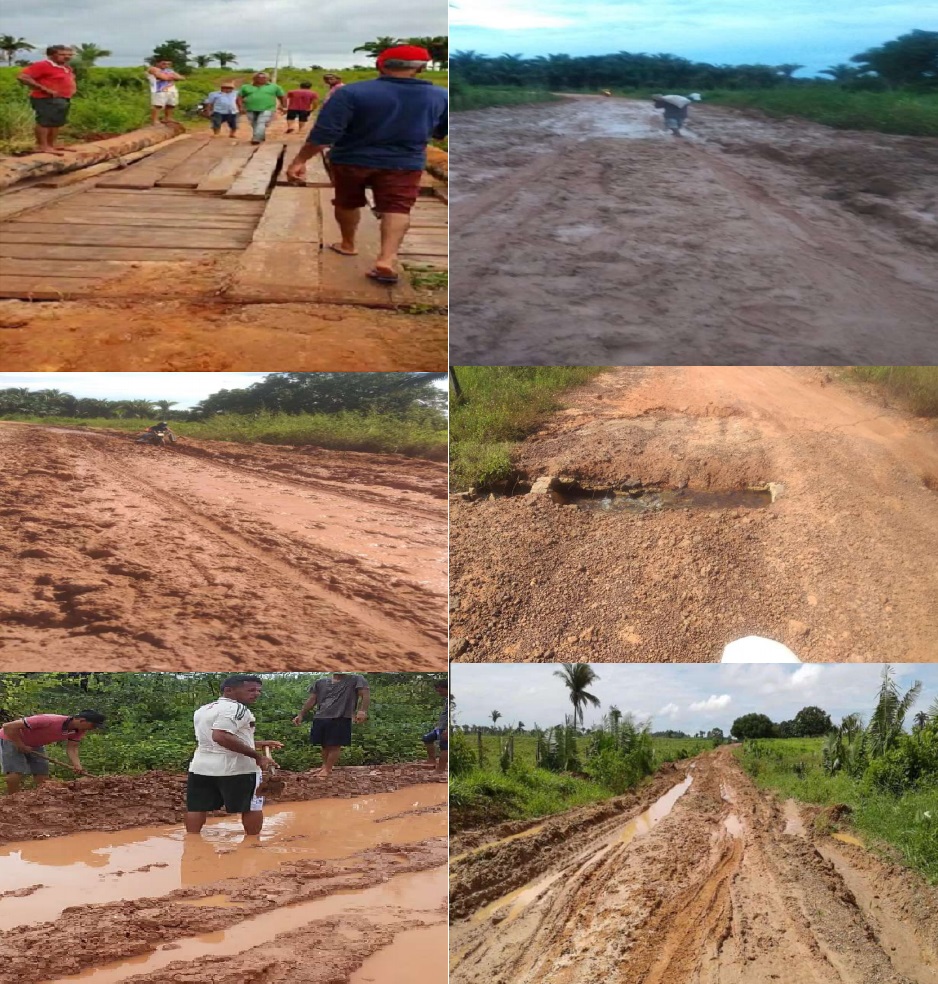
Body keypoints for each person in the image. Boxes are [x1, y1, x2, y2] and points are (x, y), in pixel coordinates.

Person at [286, 45, 448, 286]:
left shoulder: (350, 93)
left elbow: (325, 134)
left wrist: (299, 160)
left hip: (351, 159)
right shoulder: (441, 95)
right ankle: (387, 258)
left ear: (379, 65)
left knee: (346, 201)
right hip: (404, 162)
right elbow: (440, 133)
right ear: (422, 68)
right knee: (397, 208)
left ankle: (348, 244)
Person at [185, 674, 283, 836]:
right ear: (229, 690)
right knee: (252, 807)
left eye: (259, 690)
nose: (256, 694)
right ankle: (253, 846)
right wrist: (258, 756)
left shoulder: (204, 709)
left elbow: (215, 739)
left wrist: (259, 744)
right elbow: (220, 736)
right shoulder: (238, 709)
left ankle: (192, 842)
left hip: (201, 768)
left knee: (196, 807)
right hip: (237, 769)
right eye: (251, 690)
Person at [0, 710, 105, 795]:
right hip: (11, 738)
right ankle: (13, 799)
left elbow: (72, 748)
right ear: (82, 721)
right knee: (15, 772)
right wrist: (20, 745)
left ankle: (42, 798)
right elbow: (8, 726)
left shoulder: (79, 731)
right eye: (93, 726)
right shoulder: (48, 720)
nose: (94, 729)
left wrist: (77, 765)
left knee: (41, 772)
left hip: (35, 743)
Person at [292, 673, 369, 778]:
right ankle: (324, 766)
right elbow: (312, 699)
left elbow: (365, 694)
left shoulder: (355, 679)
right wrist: (301, 714)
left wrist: (362, 710)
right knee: (324, 744)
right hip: (321, 716)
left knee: (335, 745)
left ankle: (328, 769)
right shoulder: (320, 682)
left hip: (341, 716)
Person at [16, 45, 77, 156]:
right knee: (45, 121)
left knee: (56, 122)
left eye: (69, 55)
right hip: (45, 98)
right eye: (62, 54)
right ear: (51, 55)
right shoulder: (43, 65)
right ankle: (42, 146)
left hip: (63, 98)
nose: (67, 57)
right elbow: (23, 77)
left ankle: (51, 145)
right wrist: (45, 89)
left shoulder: (66, 68)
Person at [237, 73, 287, 145]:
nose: (261, 79)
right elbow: (239, 97)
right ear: (254, 79)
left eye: (263, 78)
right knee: (254, 124)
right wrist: (241, 107)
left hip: (267, 108)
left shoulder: (274, 87)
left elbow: (282, 96)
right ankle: (260, 136)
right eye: (258, 77)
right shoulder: (245, 87)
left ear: (267, 79)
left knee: (261, 122)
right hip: (250, 108)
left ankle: (256, 138)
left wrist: (284, 106)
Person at [421, 679, 449, 773]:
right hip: (440, 728)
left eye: (440, 691)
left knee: (444, 746)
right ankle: (432, 760)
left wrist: (447, 729)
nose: (439, 693)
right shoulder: (447, 699)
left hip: (445, 728)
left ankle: (440, 769)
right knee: (427, 738)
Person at [148, 60, 185, 125]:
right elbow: (164, 77)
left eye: (168, 64)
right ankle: (155, 120)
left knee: (171, 104)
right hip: (159, 90)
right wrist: (173, 77)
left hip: (171, 89)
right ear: (157, 63)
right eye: (164, 63)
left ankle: (168, 118)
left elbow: (182, 78)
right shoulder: (153, 69)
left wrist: (170, 77)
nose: (166, 65)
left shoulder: (170, 70)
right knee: (158, 105)